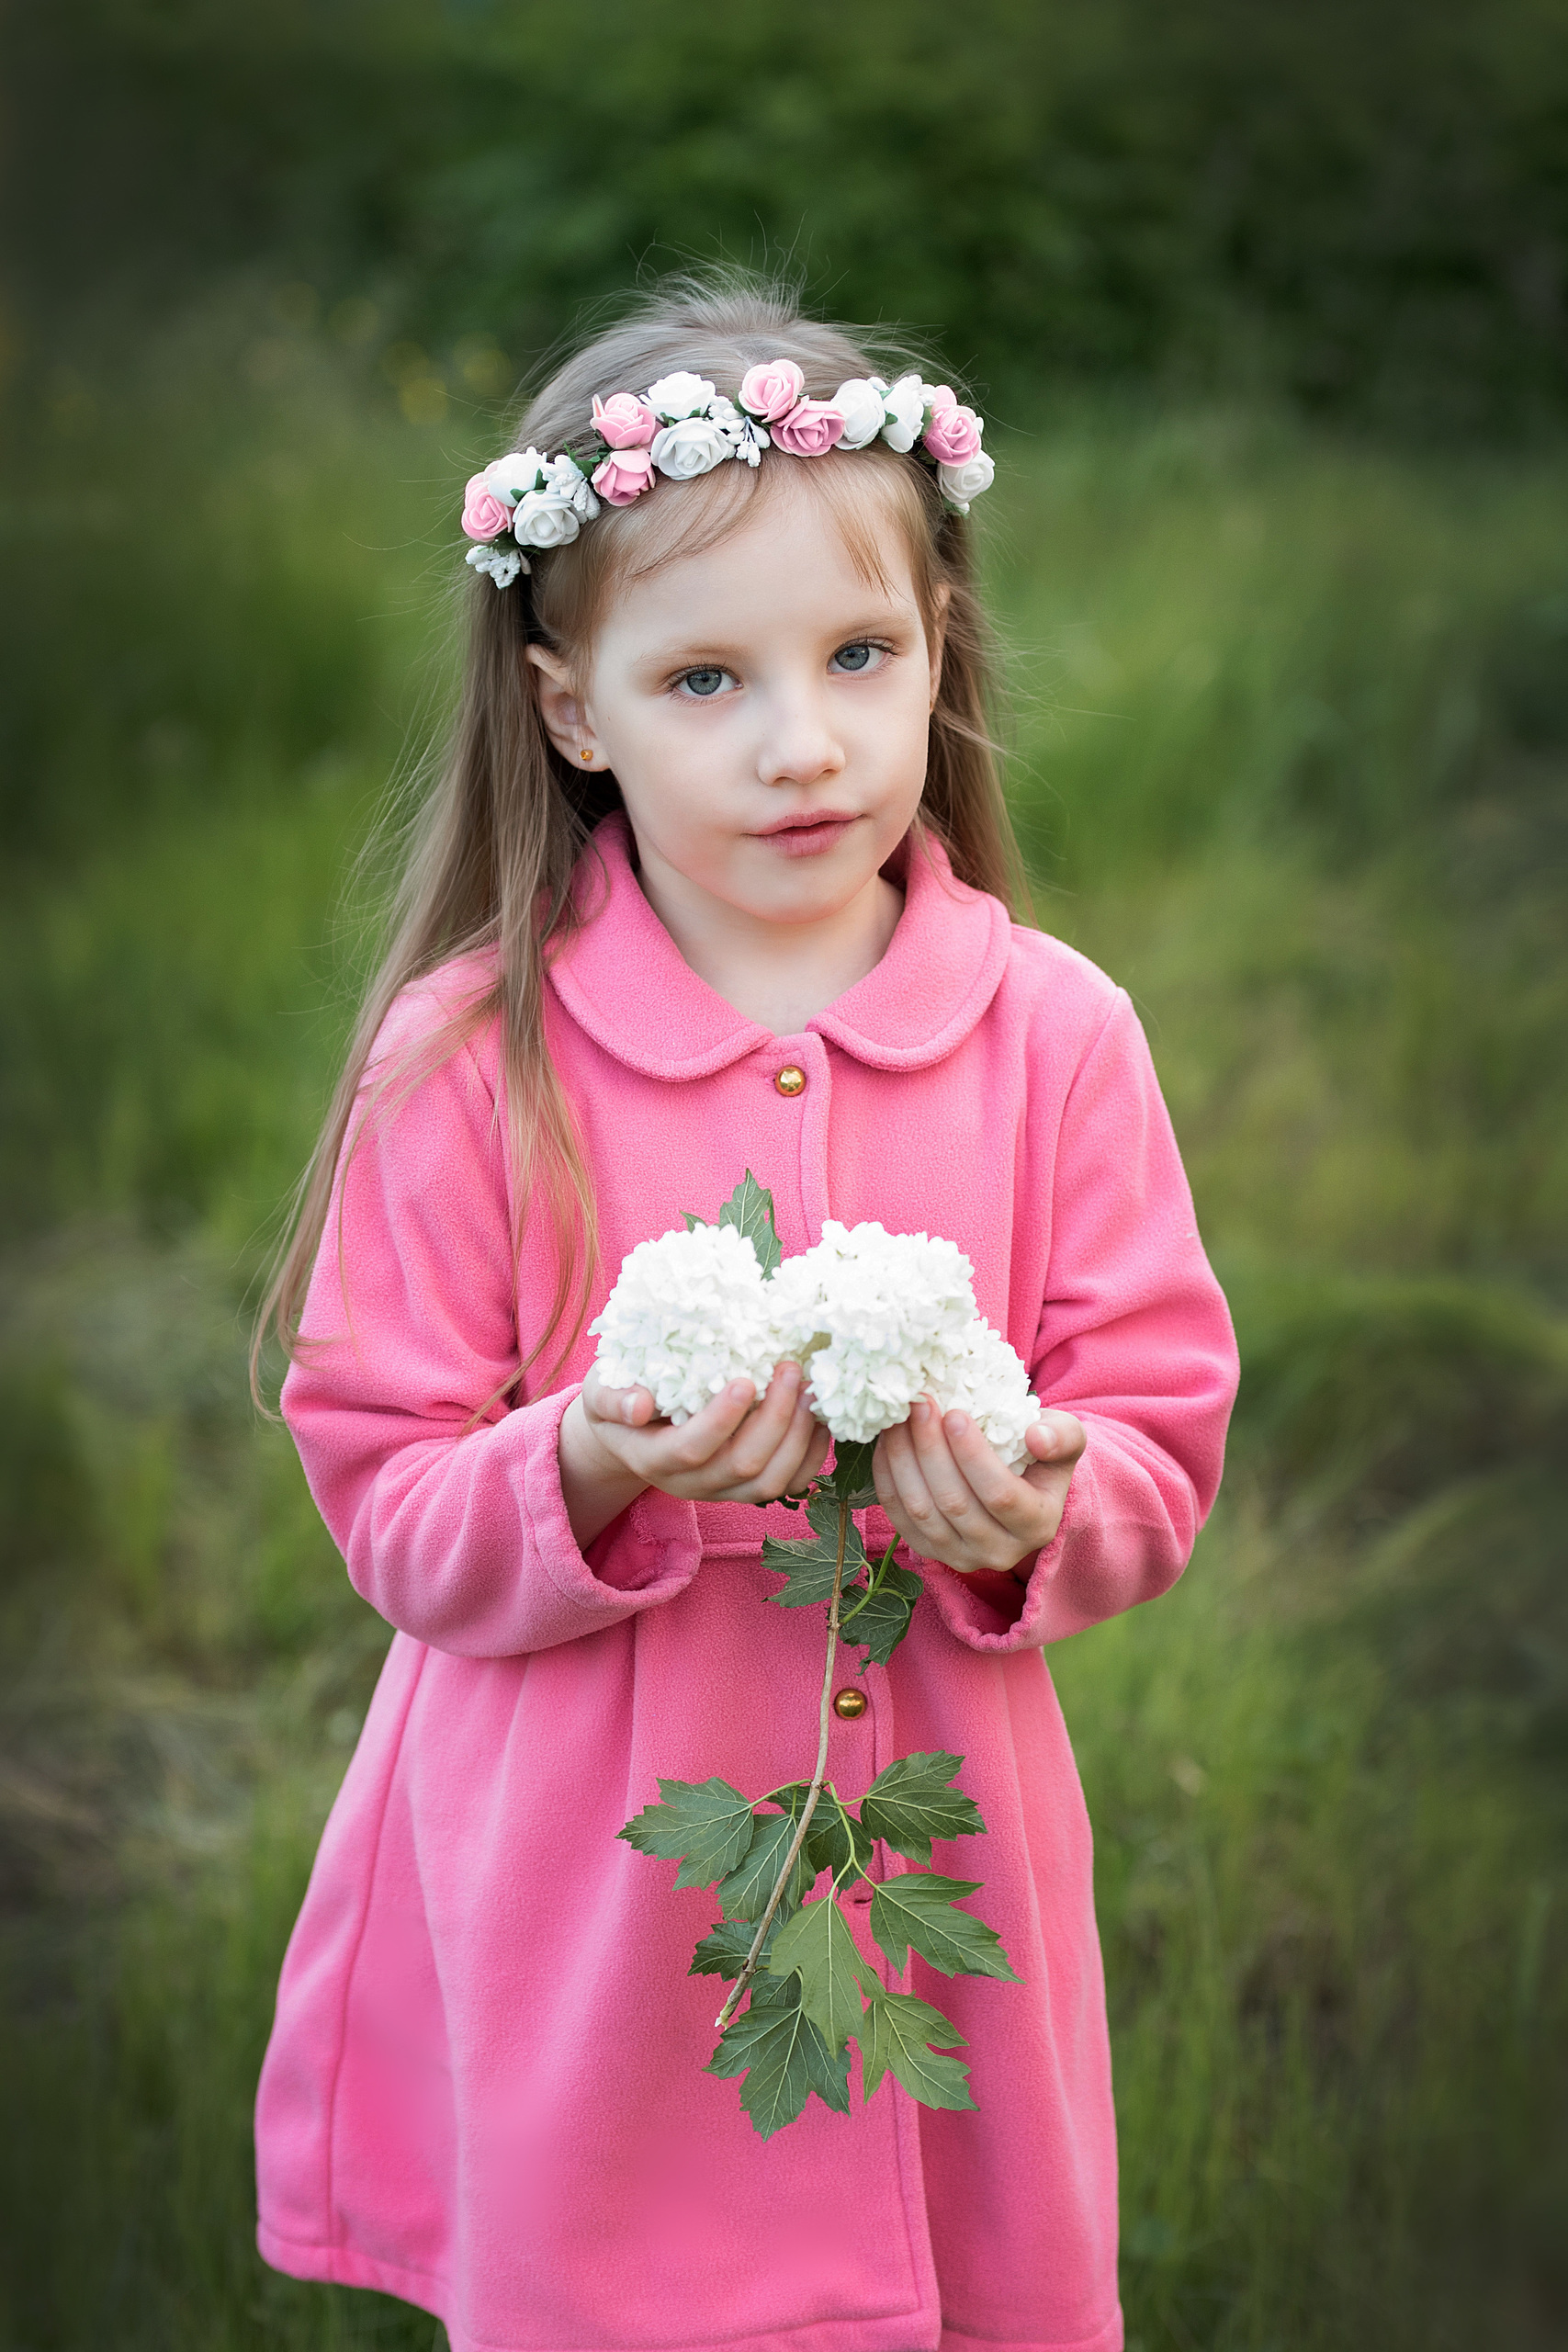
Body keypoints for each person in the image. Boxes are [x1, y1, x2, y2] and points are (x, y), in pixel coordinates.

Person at [253, 275, 1239, 2352]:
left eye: (858, 656)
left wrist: (1040, 1499)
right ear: (568, 704)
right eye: (703, 677)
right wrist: (589, 1455)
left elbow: (1154, 1418)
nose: (803, 744)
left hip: (926, 1872)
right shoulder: (468, 1061)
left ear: (936, 654)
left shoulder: (1053, 1038)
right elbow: (389, 1498)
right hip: (591, 1908)